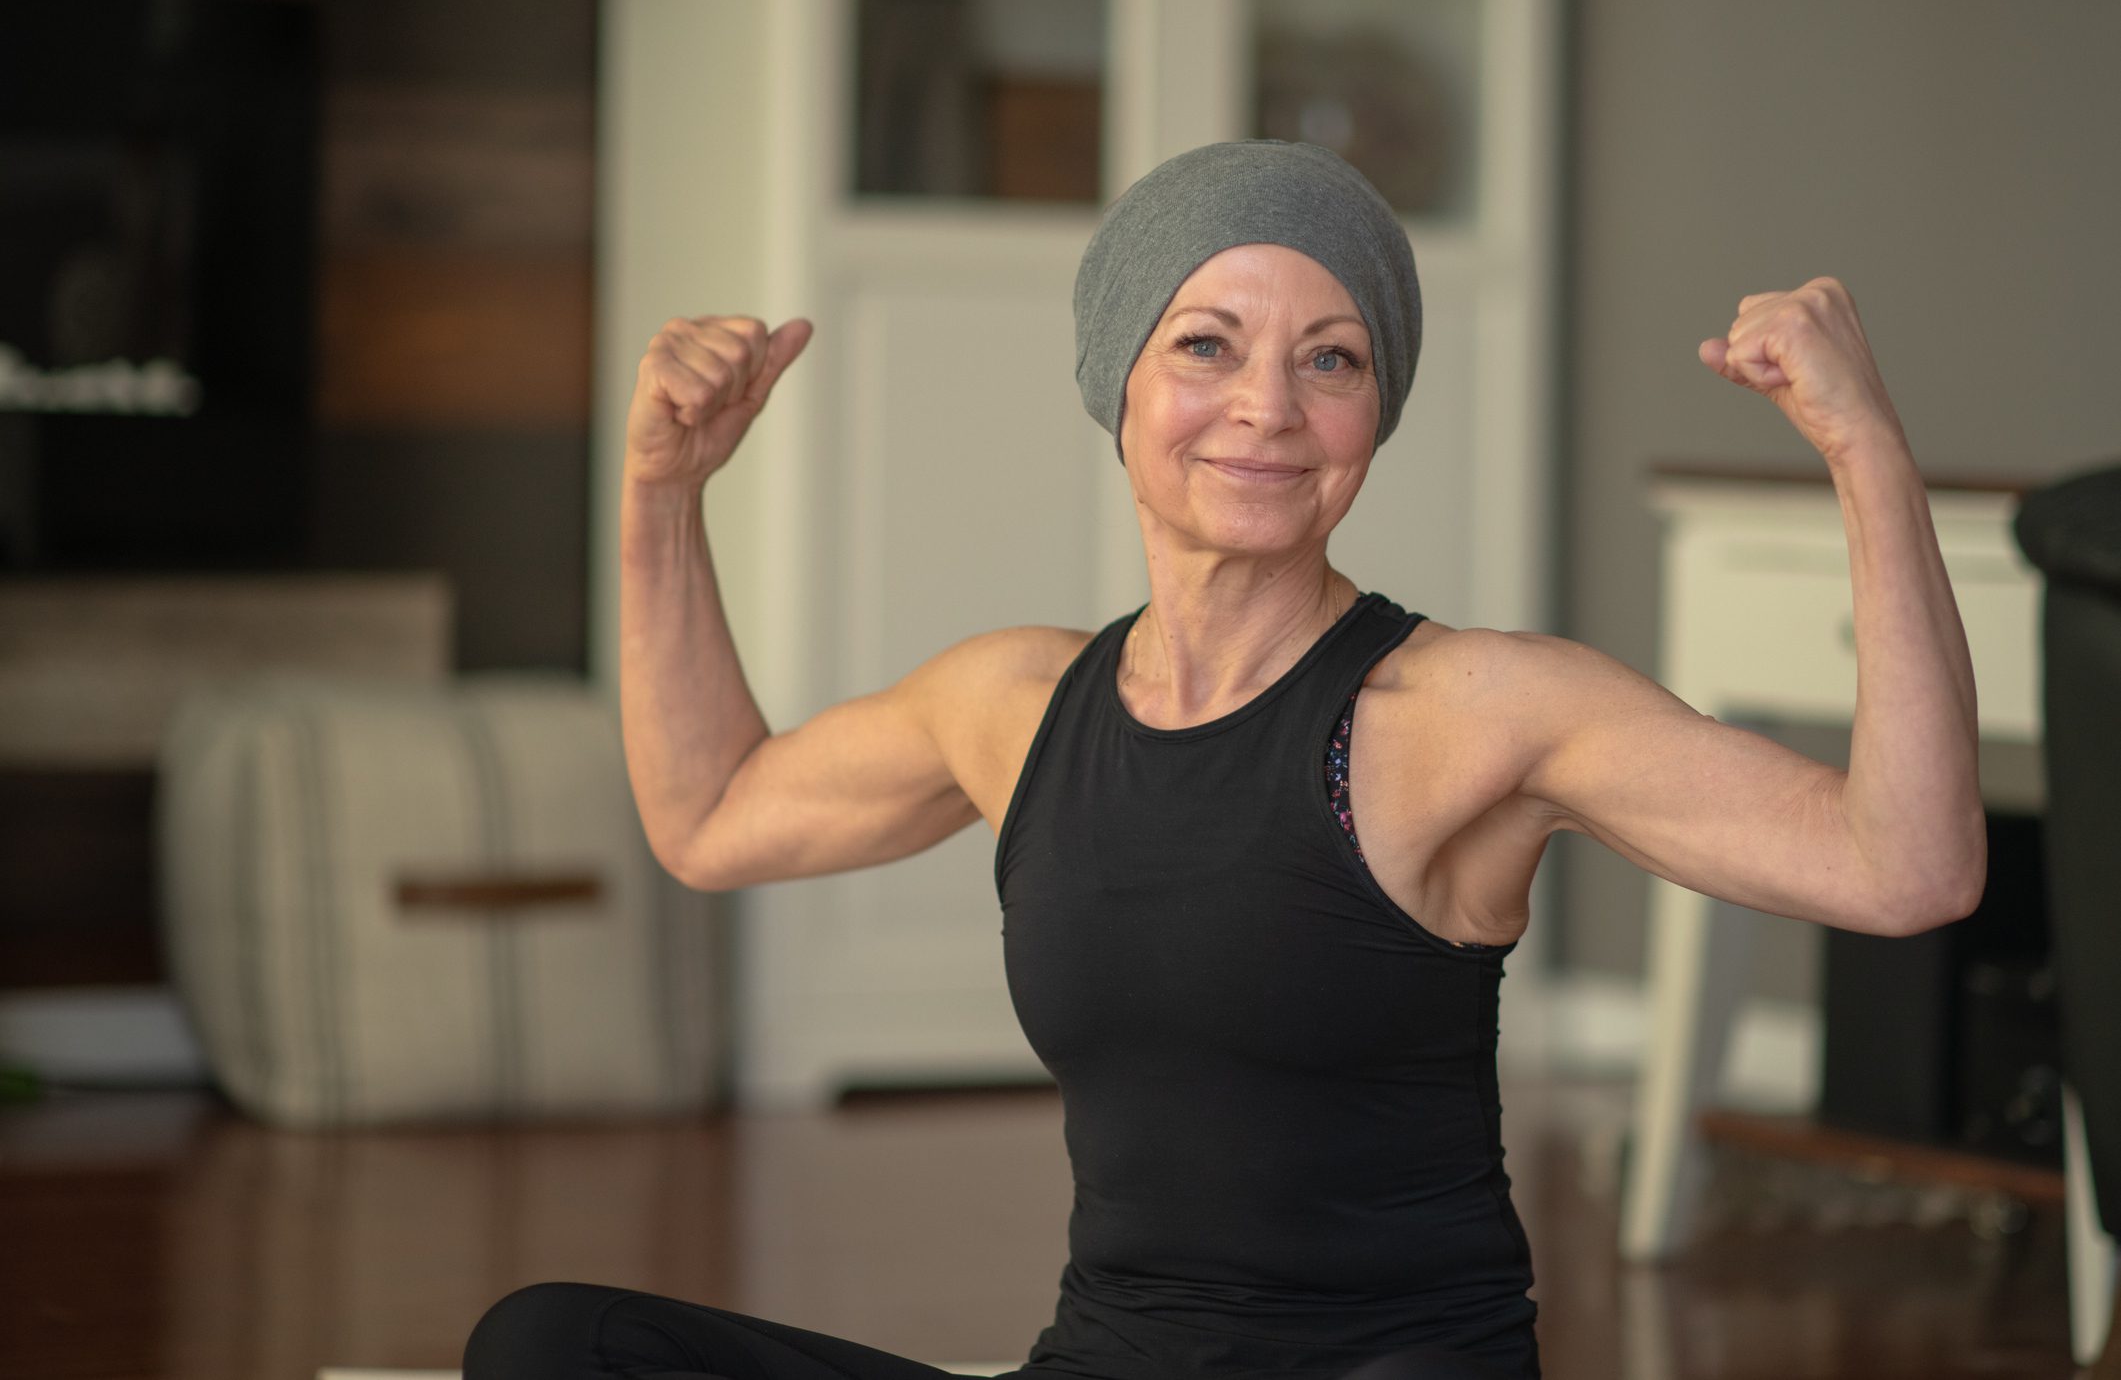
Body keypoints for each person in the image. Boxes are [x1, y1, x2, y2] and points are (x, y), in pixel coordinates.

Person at [463, 140, 1985, 1380]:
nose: (1268, 408)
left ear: (1375, 411)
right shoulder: (1017, 703)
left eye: (1332, 359)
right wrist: (662, 491)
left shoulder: (1471, 710)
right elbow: (713, 814)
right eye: (1206, 345)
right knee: (551, 1345)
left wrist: (1865, 453)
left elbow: (1905, 865)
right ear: (1116, 381)